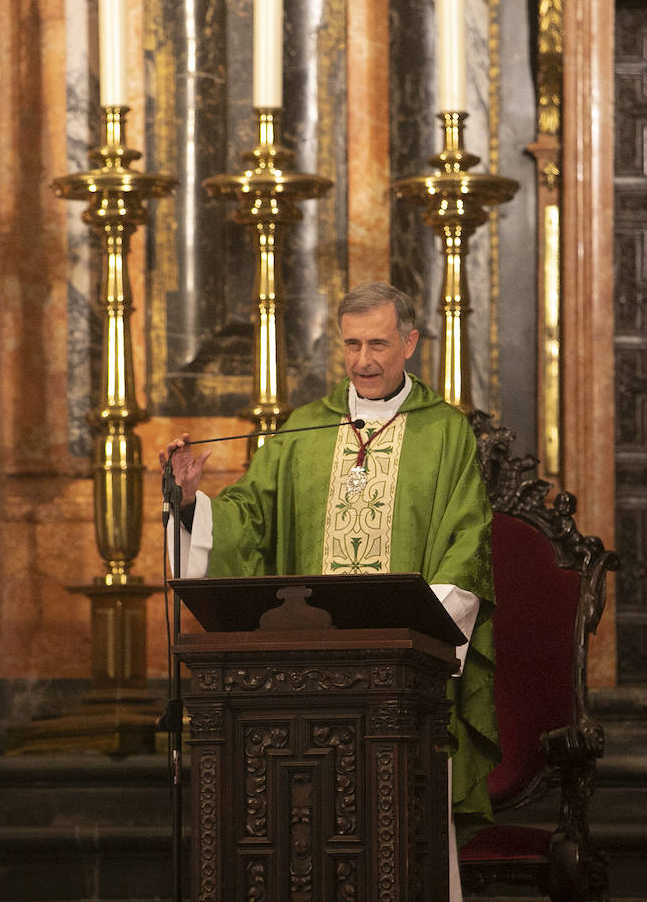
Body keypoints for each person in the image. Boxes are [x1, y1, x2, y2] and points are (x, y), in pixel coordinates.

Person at [159, 281, 498, 901]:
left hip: (404, 684)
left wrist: (426, 644)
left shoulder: (446, 433)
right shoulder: (303, 430)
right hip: (306, 679)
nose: (364, 361)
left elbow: (466, 545)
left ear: (411, 344)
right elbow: (250, 520)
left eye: (378, 344)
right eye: (351, 345)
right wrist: (188, 501)